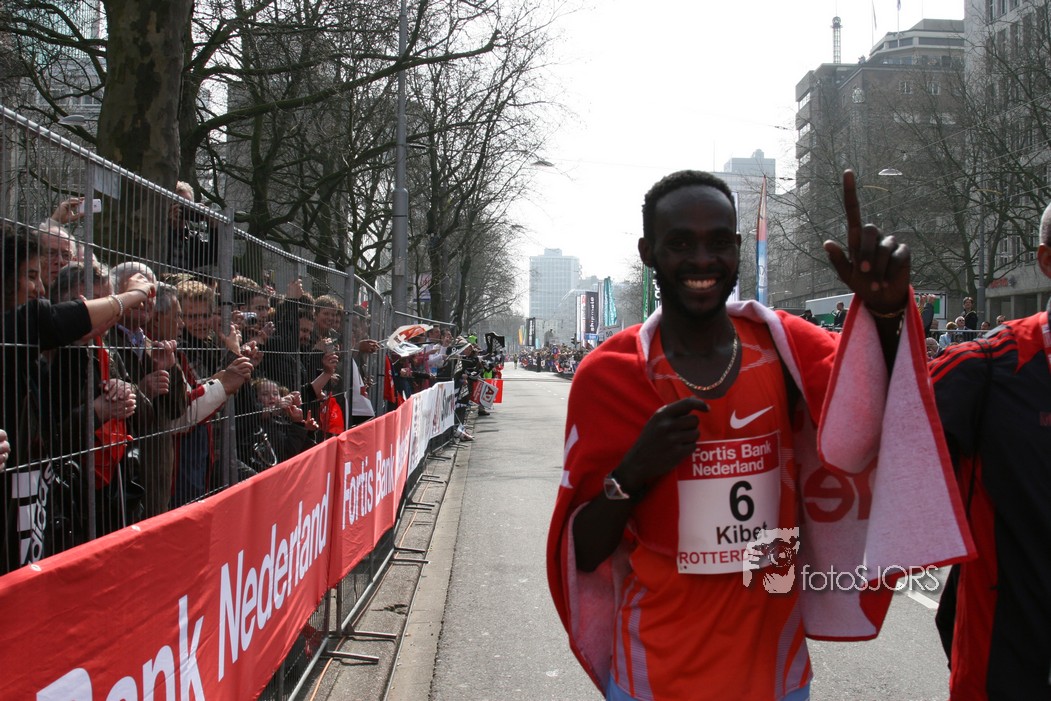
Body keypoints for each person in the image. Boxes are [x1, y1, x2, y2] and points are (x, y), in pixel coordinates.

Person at [546, 170, 972, 701]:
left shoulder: (785, 348)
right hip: (654, 678)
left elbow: (871, 425)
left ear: (738, 248)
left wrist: (883, 315)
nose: (703, 260)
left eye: (719, 243)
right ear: (647, 252)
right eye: (680, 244)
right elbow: (583, 553)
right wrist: (632, 473)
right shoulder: (611, 375)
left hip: (776, 677)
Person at [929, 201, 1051, 699]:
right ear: (1047, 261)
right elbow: (869, 434)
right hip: (1005, 666)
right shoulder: (985, 367)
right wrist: (885, 324)